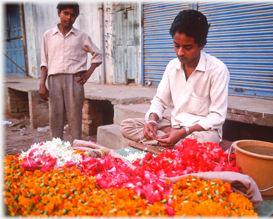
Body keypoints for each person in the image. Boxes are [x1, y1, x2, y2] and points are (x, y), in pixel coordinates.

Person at [120, 9, 229, 147]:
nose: (180, 52)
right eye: (176, 45)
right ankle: (172, 140)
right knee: (127, 125)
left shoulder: (217, 69)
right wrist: (152, 121)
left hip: (200, 130)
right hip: (174, 123)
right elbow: (159, 101)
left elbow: (217, 116)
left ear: (201, 46)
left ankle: (168, 139)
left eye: (187, 47)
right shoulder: (172, 66)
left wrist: (184, 131)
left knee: (201, 141)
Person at [39, 2, 102, 143]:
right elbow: (44, 61)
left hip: (75, 80)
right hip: (54, 80)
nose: (69, 17)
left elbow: (97, 54)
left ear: (76, 17)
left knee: (75, 116)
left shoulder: (81, 36)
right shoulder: (48, 35)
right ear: (59, 13)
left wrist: (88, 73)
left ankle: (77, 147)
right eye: (65, 13)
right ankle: (57, 147)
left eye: (72, 15)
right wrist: (42, 84)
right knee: (55, 115)